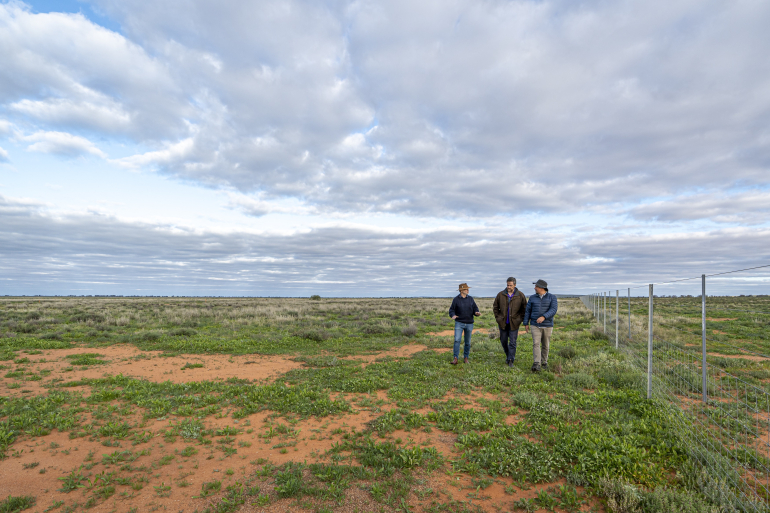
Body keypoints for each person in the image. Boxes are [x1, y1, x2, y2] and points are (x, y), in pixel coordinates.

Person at [523, 279, 558, 372]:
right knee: (536, 343)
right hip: (535, 324)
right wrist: (526, 323)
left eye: (536, 287)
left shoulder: (552, 297)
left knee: (545, 345)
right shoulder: (532, 298)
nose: (535, 288)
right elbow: (528, 311)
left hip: (547, 325)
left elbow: (553, 310)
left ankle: (544, 362)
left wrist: (544, 317)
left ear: (542, 288)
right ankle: (536, 363)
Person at [492, 277, 527, 367]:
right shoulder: (500, 295)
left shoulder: (520, 295)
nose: (508, 287)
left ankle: (511, 359)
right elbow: (495, 307)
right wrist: (498, 318)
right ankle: (508, 356)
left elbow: (524, 309)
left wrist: (520, 319)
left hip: (514, 323)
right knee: (503, 341)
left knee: (512, 342)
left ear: (515, 285)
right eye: (507, 285)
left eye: (510, 285)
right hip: (503, 323)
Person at [448, 283, 480, 364]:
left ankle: (466, 358)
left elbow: (475, 308)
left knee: (467, 342)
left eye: (468, 289)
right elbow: (451, 310)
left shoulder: (471, 299)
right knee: (457, 340)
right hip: (459, 323)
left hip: (469, 323)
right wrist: (453, 315)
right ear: (461, 290)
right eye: (466, 289)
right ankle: (455, 358)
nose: (468, 290)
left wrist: (476, 312)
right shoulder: (456, 300)